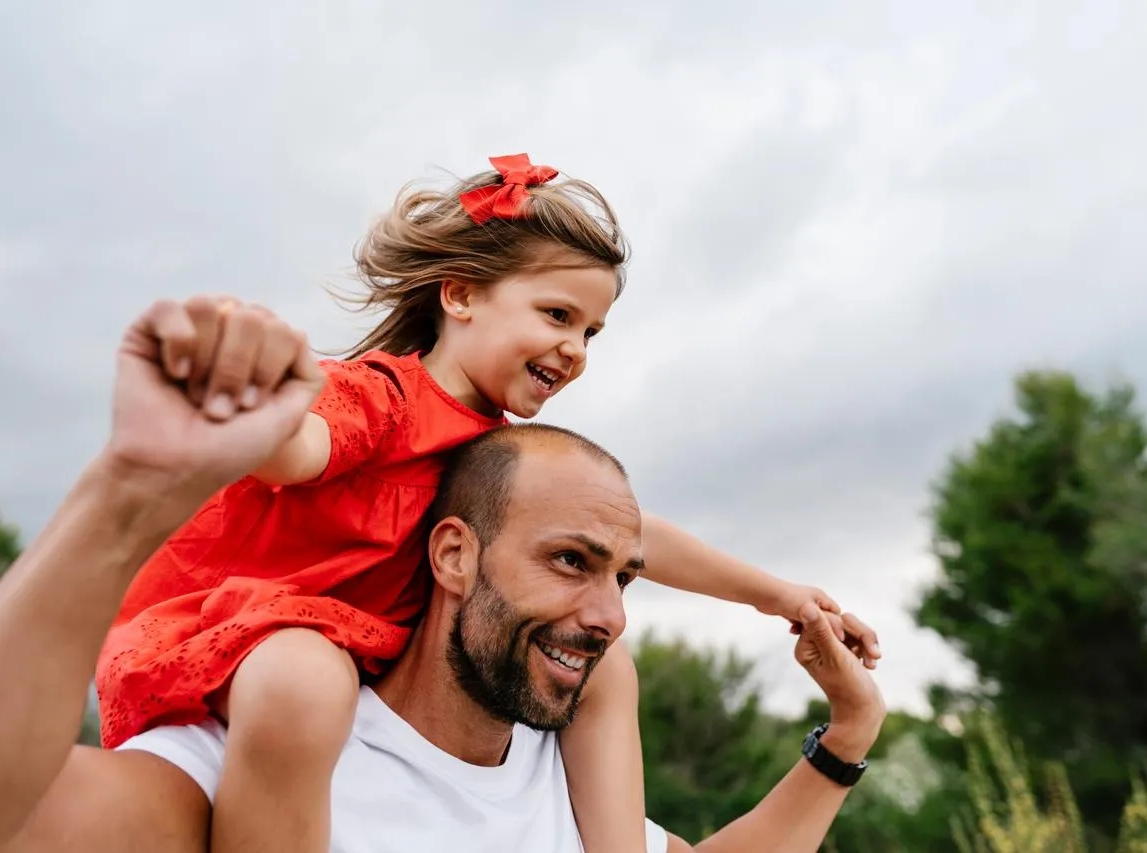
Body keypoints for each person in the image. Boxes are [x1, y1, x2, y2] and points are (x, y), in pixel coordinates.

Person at [92, 155, 882, 853]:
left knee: (607, 666)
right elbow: (304, 451)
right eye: (557, 315)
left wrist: (774, 594)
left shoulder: (495, 454)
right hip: (265, 624)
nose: (575, 348)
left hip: (371, 636)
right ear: (461, 295)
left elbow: (633, 536)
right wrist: (251, 419)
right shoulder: (385, 397)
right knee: (304, 678)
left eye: (593, 330)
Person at [0, 298, 886, 852]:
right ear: (451, 552)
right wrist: (126, 495)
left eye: (622, 580)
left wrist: (847, 737)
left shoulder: (575, 795)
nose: (606, 616)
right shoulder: (262, 761)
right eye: (568, 562)